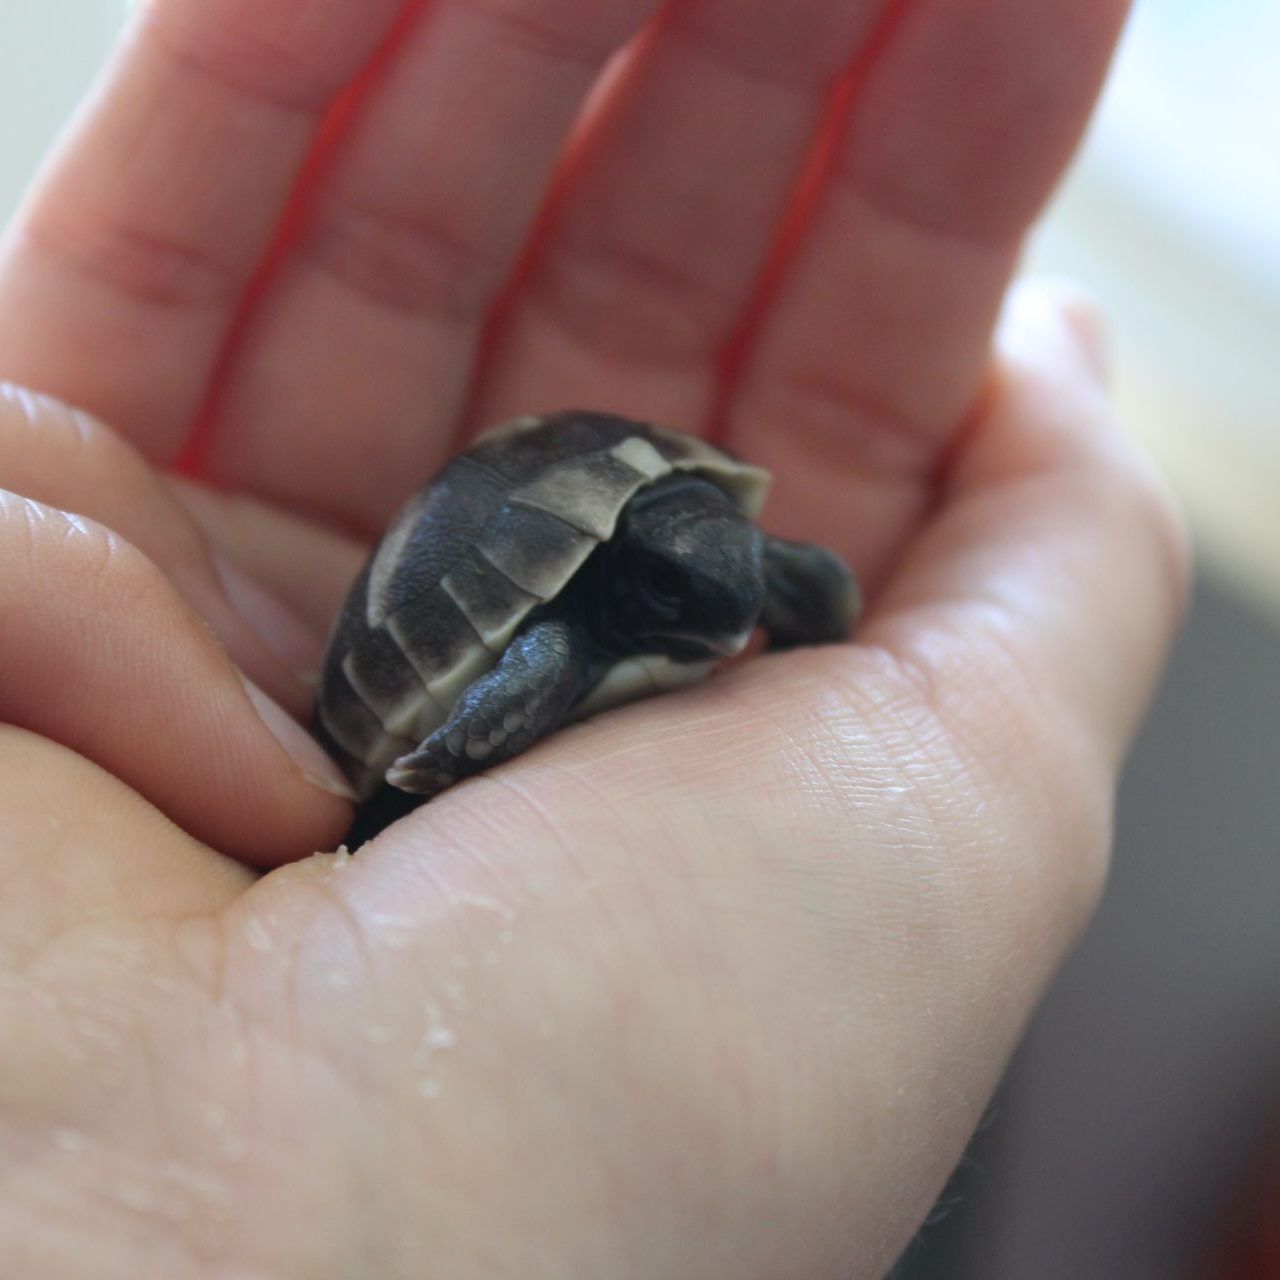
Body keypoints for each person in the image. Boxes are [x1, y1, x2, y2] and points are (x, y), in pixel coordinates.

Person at [0, 0, 1184, 1274]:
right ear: (635, 578)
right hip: (388, 712)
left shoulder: (714, 572)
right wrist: (419, 769)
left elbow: (784, 585)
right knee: (543, 661)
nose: (728, 622)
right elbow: (547, 654)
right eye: (690, 600)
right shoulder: (563, 634)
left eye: (738, 594)